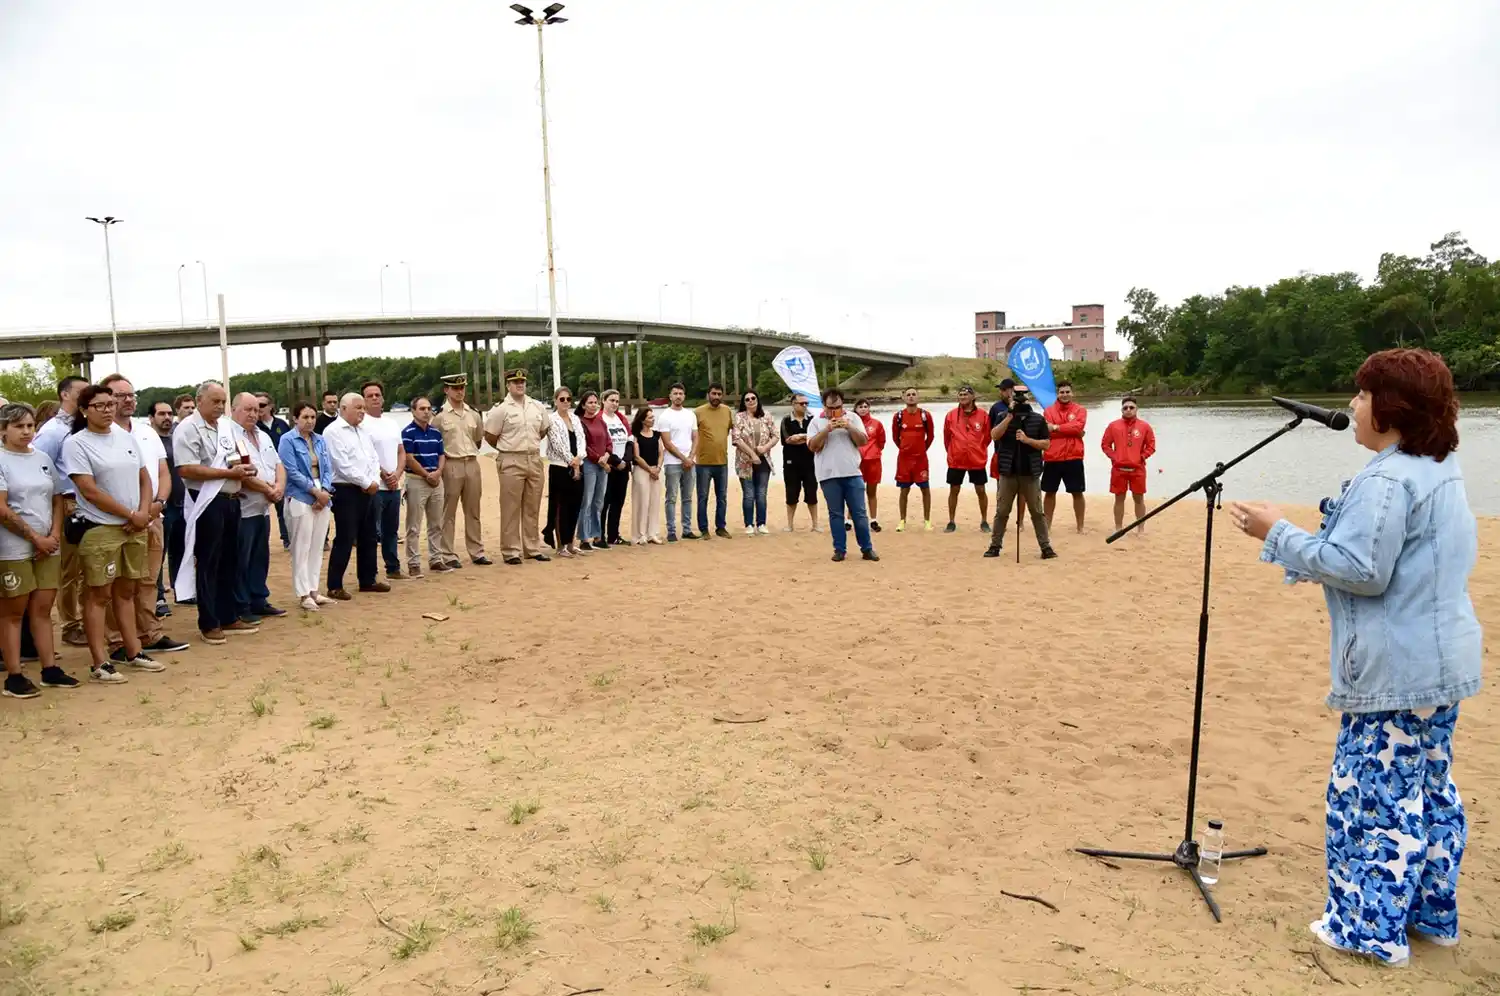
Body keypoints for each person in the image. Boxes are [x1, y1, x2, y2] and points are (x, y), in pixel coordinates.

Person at [1229, 348, 1482, 968]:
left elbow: (1363, 569)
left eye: (1363, 395)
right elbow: (1395, 551)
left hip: (1398, 671)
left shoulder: (1388, 477)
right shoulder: (1435, 465)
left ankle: (1369, 931)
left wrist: (1278, 533)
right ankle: (1429, 916)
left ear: (1391, 407)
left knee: (1370, 799)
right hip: (1441, 664)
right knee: (1427, 790)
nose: (1352, 405)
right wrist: (1327, 525)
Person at [61, 384, 161, 682]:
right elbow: (88, 489)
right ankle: (100, 661)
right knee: (98, 594)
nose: (107, 410)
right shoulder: (77, 443)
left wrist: (143, 513)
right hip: (101, 528)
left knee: (127, 591)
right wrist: (130, 515)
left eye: (110, 404)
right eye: (99, 406)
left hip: (134, 528)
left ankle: (133, 650)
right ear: (84, 410)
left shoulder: (125, 437)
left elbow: (143, 476)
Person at [100, 375, 188, 654]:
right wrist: (131, 512)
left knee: (149, 579)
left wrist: (159, 502)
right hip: (117, 521)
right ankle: (117, 640)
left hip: (152, 516)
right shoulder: (96, 435)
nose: (126, 399)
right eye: (118, 395)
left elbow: (162, 471)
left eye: (130, 394)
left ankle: (149, 633)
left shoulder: (146, 432)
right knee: (115, 584)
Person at [0, 402, 77, 696]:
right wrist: (35, 538)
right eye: (18, 426)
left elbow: (57, 498)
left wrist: (54, 534)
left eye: (30, 425)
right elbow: (2, 508)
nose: (26, 431)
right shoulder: (1, 459)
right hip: (14, 548)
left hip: (48, 544)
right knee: (12, 613)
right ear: (4, 430)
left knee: (42, 609)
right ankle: (15, 674)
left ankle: (49, 668)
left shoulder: (42, 458)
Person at [174, 381, 259, 645]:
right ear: (199, 401)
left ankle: (228, 615)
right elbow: (186, 469)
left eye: (223, 401)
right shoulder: (187, 429)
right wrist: (228, 473)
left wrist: (245, 468)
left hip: (232, 498)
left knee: (230, 560)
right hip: (206, 500)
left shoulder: (225, 427)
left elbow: (235, 456)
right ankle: (209, 622)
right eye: (215, 401)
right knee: (208, 562)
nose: (220, 406)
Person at [33, 375, 87, 647]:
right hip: (67, 504)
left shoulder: (85, 427)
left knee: (88, 568)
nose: (87, 396)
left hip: (89, 503)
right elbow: (39, 467)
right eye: (82, 392)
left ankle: (86, 621)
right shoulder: (53, 431)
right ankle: (70, 624)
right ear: (65, 395)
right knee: (70, 570)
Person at [482, 369, 551, 567]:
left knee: (532, 506)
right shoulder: (500, 409)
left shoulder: (536, 406)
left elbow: (543, 430)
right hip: (511, 459)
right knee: (511, 507)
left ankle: (532, 548)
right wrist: (509, 449)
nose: (520, 385)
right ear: (508, 385)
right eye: (515, 382)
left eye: (522, 381)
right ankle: (511, 550)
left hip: (534, 459)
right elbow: (490, 435)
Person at [229, 392, 287, 623]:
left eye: (257, 409)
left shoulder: (263, 435)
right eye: (248, 409)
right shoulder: (228, 435)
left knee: (260, 558)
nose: (254, 413)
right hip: (243, 509)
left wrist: (279, 487)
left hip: (263, 508)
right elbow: (240, 472)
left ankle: (259, 600)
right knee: (240, 559)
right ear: (234, 409)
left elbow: (278, 464)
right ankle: (241, 605)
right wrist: (267, 489)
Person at [323, 392, 388, 599]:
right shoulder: (333, 432)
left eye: (363, 407)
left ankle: (367, 579)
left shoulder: (363, 431)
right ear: (343, 409)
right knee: (345, 536)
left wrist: (373, 480)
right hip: (346, 490)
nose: (362, 411)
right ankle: (334, 585)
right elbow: (341, 464)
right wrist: (365, 482)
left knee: (369, 536)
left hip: (368, 489)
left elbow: (372, 458)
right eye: (358, 407)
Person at [985, 380, 1056, 560]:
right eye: (1017, 398)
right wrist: (1009, 416)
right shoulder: (1003, 416)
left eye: (1022, 398)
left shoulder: (1038, 419)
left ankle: (1045, 547)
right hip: (1008, 471)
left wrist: (1027, 440)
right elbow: (994, 435)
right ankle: (995, 546)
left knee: (1037, 512)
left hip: (1030, 472)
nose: (1020, 401)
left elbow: (1046, 444)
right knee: (1002, 511)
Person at [808, 388, 877, 562]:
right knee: (836, 514)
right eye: (831, 408)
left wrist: (848, 426)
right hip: (828, 475)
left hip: (853, 472)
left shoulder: (853, 418)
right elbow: (813, 446)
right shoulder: (816, 422)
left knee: (859, 513)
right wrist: (827, 430)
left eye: (838, 407)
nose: (834, 411)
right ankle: (839, 549)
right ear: (824, 406)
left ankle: (867, 548)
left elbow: (863, 441)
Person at [278, 402, 335, 612]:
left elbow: (328, 467)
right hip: (300, 494)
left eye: (312, 417)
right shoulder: (287, 440)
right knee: (301, 546)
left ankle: (313, 589)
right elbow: (291, 471)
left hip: (322, 490)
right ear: (295, 418)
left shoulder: (320, 440)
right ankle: (303, 593)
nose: (309, 421)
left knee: (317, 544)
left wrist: (325, 490)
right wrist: (314, 492)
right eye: (305, 417)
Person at [434, 374, 490, 567]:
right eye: (455, 388)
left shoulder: (473, 414)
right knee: (448, 512)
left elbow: (477, 439)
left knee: (473, 510)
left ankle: (477, 552)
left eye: (462, 388)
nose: (460, 391)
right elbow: (436, 443)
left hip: (472, 463)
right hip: (451, 463)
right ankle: (448, 554)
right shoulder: (440, 417)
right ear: (446, 390)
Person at [361, 380, 407, 581]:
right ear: (363, 399)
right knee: (372, 532)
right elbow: (365, 454)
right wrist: (383, 474)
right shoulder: (362, 425)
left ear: (383, 398)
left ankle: (393, 567)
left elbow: (401, 451)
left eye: (377, 395)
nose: (374, 398)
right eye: (369, 395)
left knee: (392, 530)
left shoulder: (391, 423)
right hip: (374, 486)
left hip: (393, 487)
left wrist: (396, 474)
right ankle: (370, 573)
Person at [402, 395, 447, 576]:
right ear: (413, 411)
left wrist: (438, 472)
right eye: (422, 409)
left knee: (436, 523)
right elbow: (408, 457)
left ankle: (436, 559)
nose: (426, 412)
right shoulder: (407, 432)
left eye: (428, 408)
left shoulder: (436, 432)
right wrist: (426, 474)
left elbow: (442, 455)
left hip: (436, 481)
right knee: (413, 524)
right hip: (416, 480)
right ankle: (413, 563)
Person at [148, 401, 184, 618]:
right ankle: (158, 596)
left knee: (180, 550)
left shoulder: (176, 439)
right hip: (162, 506)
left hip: (182, 503)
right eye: (161, 414)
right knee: (158, 554)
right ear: (151, 417)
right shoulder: (150, 441)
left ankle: (182, 589)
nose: (167, 417)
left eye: (170, 413)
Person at [1100, 397, 1156, 535]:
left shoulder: (1145, 426)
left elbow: (1151, 446)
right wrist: (1115, 458)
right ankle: (1119, 528)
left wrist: (1141, 457)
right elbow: (1105, 445)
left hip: (1138, 469)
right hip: (1119, 469)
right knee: (1119, 499)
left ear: (1136, 409)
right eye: (1125, 408)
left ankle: (1140, 529)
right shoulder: (1113, 426)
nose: (1128, 410)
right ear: (1121, 410)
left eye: (1131, 407)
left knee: (1139, 499)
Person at [543, 386, 587, 558]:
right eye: (562, 399)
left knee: (576, 504)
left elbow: (582, 440)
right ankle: (561, 544)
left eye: (568, 399)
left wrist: (579, 458)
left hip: (577, 464)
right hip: (560, 467)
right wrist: (572, 462)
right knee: (561, 507)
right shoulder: (552, 420)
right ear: (555, 401)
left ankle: (570, 543)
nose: (566, 402)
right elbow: (557, 444)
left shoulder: (575, 419)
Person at [1041, 380, 1089, 533]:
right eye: (1062, 392)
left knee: (1077, 492)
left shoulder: (1080, 410)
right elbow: (1045, 430)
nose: (1065, 395)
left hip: (1073, 456)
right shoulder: (1048, 411)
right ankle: (1047, 526)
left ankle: (1080, 526)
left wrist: (1056, 427)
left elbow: (1078, 427)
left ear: (1072, 393)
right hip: (1052, 456)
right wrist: (1068, 429)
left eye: (1067, 392)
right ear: (1057, 394)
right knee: (1049, 492)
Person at [943, 385, 991, 533]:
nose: (963, 397)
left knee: (981, 490)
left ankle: (984, 520)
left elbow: (988, 437)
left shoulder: (983, 415)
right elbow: (946, 438)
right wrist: (953, 451)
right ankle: (951, 521)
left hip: (977, 459)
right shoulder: (951, 415)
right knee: (954, 489)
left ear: (973, 397)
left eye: (966, 394)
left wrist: (978, 449)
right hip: (956, 460)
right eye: (961, 395)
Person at [656, 383, 699, 541]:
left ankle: (687, 529)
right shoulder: (665, 416)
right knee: (672, 497)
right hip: (672, 462)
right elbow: (667, 443)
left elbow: (695, 437)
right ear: (670, 396)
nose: (678, 396)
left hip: (690, 461)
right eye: (675, 393)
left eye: (681, 393)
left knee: (687, 497)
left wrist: (691, 457)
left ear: (684, 396)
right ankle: (671, 530)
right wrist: (683, 458)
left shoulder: (690, 415)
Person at [732, 390, 778, 536]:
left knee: (761, 493)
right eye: (747, 399)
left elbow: (775, 435)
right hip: (745, 461)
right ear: (743, 403)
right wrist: (752, 454)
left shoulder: (767, 416)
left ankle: (762, 523)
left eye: (753, 398)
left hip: (764, 460)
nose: (751, 401)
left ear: (757, 400)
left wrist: (764, 448)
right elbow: (736, 438)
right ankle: (749, 524)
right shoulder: (739, 417)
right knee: (748, 494)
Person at [693, 383, 734, 540]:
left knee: (722, 497)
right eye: (713, 394)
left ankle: (721, 527)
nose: (716, 397)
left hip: (722, 461)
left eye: (719, 394)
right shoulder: (698, 412)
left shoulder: (727, 411)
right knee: (703, 496)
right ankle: (703, 529)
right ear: (708, 394)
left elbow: (732, 430)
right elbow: (691, 434)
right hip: (703, 462)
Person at [891, 388, 935, 532]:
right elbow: (895, 437)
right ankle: (902, 520)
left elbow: (931, 436)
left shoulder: (925, 415)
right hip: (904, 460)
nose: (911, 397)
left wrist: (922, 449)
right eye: (908, 395)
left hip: (921, 459)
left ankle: (927, 521)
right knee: (904, 490)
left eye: (913, 394)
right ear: (903, 397)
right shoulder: (898, 416)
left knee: (925, 489)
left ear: (918, 397)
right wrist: (904, 448)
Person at [255, 392, 293, 551]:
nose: (258, 409)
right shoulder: (254, 427)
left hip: (284, 472)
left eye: (262, 405)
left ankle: (288, 538)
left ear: (271, 406)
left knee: (285, 508)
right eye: (255, 406)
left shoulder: (282, 425)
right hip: (263, 474)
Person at [779, 396, 820, 533]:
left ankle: (815, 524)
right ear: (793, 404)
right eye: (802, 403)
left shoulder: (812, 419)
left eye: (806, 403)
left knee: (812, 493)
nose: (804, 406)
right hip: (791, 462)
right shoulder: (786, 420)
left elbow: (816, 438)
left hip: (810, 461)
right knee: (791, 493)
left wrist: (801, 437)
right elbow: (788, 440)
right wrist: (806, 437)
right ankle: (790, 525)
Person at [576, 390, 610, 551]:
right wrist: (598, 459)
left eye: (595, 402)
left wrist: (607, 455)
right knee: (587, 501)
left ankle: (597, 535)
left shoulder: (601, 421)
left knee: (599, 501)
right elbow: (585, 445)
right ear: (583, 405)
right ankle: (584, 537)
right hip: (589, 464)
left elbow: (608, 441)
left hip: (603, 464)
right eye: (590, 402)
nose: (593, 405)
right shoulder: (580, 422)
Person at [598, 390, 632, 546]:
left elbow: (630, 440)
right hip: (608, 467)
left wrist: (626, 460)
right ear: (603, 401)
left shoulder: (621, 418)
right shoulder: (600, 419)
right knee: (604, 502)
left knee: (618, 502)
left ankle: (613, 534)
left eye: (617, 401)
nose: (615, 404)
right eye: (611, 400)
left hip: (623, 467)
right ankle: (600, 536)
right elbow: (600, 444)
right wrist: (616, 461)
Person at [630, 406, 665, 544]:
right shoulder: (636, 435)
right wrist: (650, 470)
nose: (653, 419)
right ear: (643, 420)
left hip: (655, 470)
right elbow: (637, 457)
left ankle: (653, 533)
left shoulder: (656, 435)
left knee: (654, 502)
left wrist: (658, 468)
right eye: (650, 417)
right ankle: (640, 534)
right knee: (642, 502)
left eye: (653, 417)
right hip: (641, 471)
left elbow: (661, 453)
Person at [853, 398, 886, 533]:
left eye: (865, 406)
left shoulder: (877, 424)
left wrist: (874, 452)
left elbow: (882, 442)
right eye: (860, 406)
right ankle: (849, 520)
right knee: (854, 492)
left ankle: (873, 520)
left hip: (873, 461)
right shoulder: (851, 424)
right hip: (856, 462)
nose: (863, 409)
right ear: (855, 409)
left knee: (871, 491)